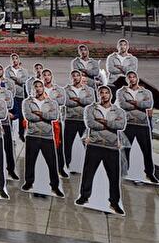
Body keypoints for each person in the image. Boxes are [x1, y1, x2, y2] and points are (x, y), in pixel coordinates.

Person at [77, 86, 126, 214]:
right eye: (101, 93)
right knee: (88, 173)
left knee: (114, 177)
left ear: (110, 95)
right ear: (98, 95)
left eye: (106, 93)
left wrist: (103, 121)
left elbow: (121, 125)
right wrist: (110, 123)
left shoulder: (119, 111)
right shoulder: (90, 109)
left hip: (111, 146)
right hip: (94, 145)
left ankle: (114, 203)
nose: (104, 95)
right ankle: (84, 196)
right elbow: (90, 124)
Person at [22, 80, 64, 197]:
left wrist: (39, 114)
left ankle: (55, 186)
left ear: (43, 88)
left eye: (40, 86)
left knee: (52, 163)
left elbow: (54, 117)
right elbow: (29, 116)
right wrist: (45, 115)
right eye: (36, 86)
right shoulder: (27, 102)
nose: (38, 88)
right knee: (30, 161)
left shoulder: (52, 102)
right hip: (32, 135)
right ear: (33, 88)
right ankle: (29, 182)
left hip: (47, 136)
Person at [117, 72, 156, 183]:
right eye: (129, 77)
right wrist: (139, 104)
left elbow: (148, 104)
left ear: (137, 79)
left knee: (147, 150)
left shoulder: (146, 92)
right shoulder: (121, 92)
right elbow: (123, 105)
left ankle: (150, 173)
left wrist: (134, 103)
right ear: (127, 79)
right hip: (128, 124)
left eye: (134, 77)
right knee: (125, 149)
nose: (132, 79)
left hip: (142, 124)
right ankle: (123, 171)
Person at [64, 70, 95, 172]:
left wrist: (78, 100)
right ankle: (66, 166)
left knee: (87, 143)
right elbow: (67, 102)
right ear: (71, 78)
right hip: (70, 120)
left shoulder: (89, 90)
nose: (76, 77)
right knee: (67, 144)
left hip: (84, 120)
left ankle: (90, 167)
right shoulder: (66, 89)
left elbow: (90, 102)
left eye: (78, 75)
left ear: (81, 77)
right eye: (74, 76)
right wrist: (82, 101)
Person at [6, 54, 30, 141]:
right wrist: (17, 81)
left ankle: (21, 133)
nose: (14, 60)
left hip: (20, 95)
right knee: (11, 115)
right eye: (13, 59)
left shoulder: (24, 71)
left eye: (16, 58)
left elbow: (25, 81)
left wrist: (16, 79)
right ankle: (10, 134)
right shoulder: (7, 70)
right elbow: (8, 82)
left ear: (19, 60)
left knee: (21, 115)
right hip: (11, 95)